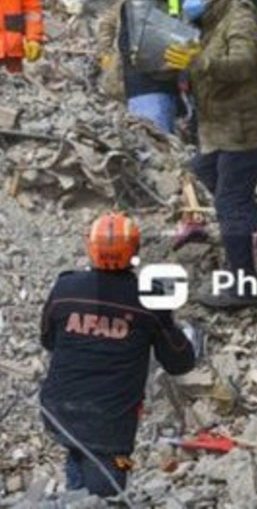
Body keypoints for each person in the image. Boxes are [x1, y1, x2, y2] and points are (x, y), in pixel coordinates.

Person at [40, 213, 196, 498]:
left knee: (79, 452)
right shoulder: (152, 297)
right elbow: (179, 362)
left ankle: (76, 494)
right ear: (134, 251)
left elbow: (49, 340)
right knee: (108, 487)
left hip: (59, 410)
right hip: (110, 424)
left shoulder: (65, 288)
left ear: (91, 247)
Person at [163, 0, 257, 309]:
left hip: (247, 126)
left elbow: (243, 62)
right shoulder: (208, 22)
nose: (187, 3)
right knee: (204, 169)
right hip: (220, 126)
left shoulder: (239, 17)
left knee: (230, 203)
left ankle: (241, 285)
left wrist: (200, 61)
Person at [95, 0, 180, 134]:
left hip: (160, 87)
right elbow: (108, 22)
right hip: (145, 84)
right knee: (154, 139)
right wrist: (105, 54)